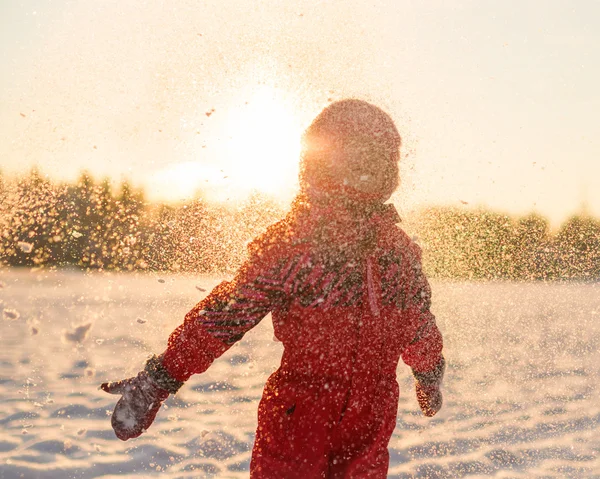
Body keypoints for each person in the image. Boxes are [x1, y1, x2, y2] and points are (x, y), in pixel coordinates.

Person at [101, 99, 445, 478]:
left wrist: (429, 371)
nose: (364, 175)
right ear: (322, 165)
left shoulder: (396, 252)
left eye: (376, 164)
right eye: (355, 163)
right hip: (298, 419)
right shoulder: (294, 243)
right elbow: (223, 316)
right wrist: (159, 378)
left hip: (371, 420)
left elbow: (418, 323)